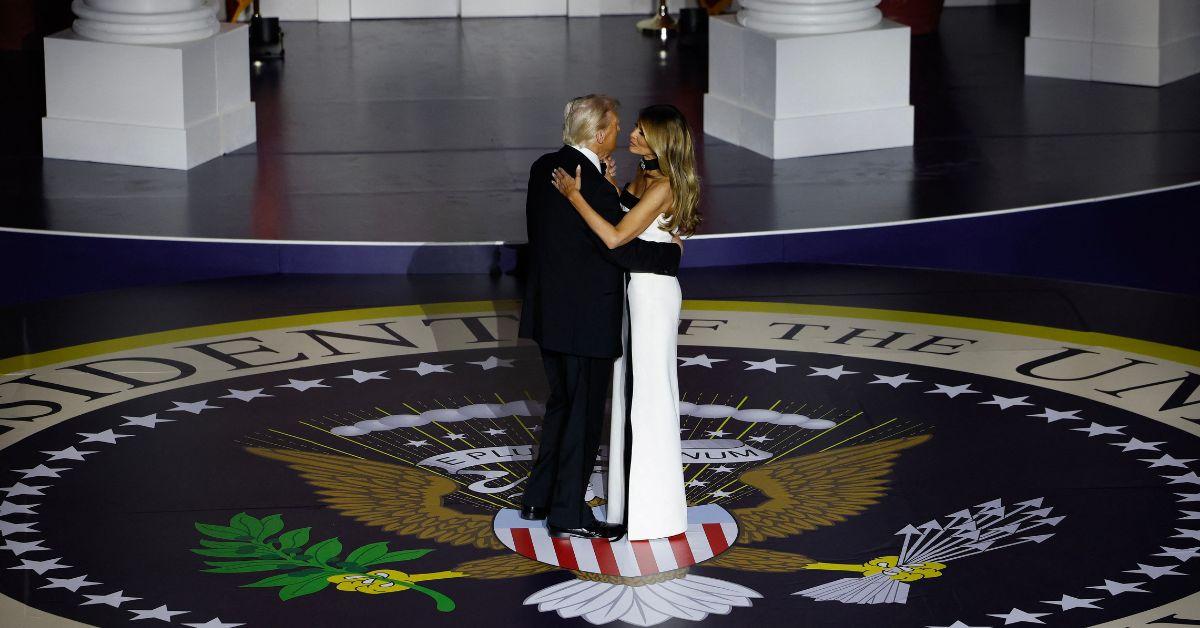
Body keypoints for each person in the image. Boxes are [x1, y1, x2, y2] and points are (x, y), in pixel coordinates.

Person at [518, 94, 683, 541]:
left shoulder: (543, 167)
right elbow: (620, 245)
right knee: (583, 416)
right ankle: (568, 512)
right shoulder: (585, 182)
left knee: (561, 404)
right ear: (599, 134)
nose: (621, 132)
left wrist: (605, 189)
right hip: (585, 317)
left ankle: (539, 497)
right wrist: (672, 255)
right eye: (615, 126)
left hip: (548, 312)